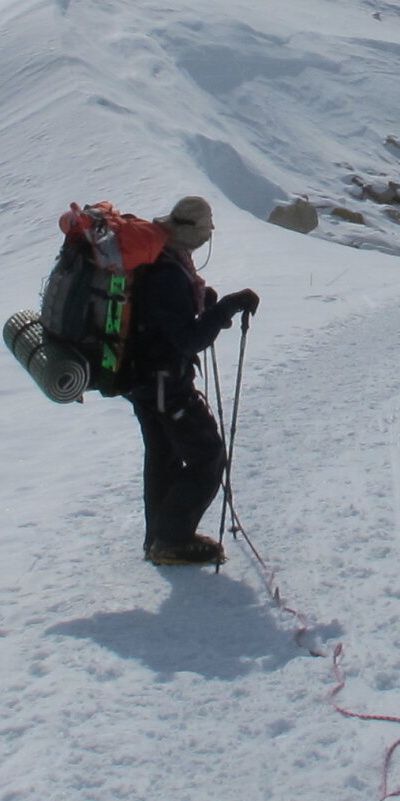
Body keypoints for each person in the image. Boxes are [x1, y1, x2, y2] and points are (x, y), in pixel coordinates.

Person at [128, 195, 258, 566]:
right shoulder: (168, 272)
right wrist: (224, 309)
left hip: (143, 380)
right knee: (208, 456)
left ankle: (158, 539)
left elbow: (165, 319)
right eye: (205, 231)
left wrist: (205, 305)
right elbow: (188, 339)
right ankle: (172, 540)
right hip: (165, 383)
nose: (207, 237)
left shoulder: (161, 259)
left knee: (163, 456)